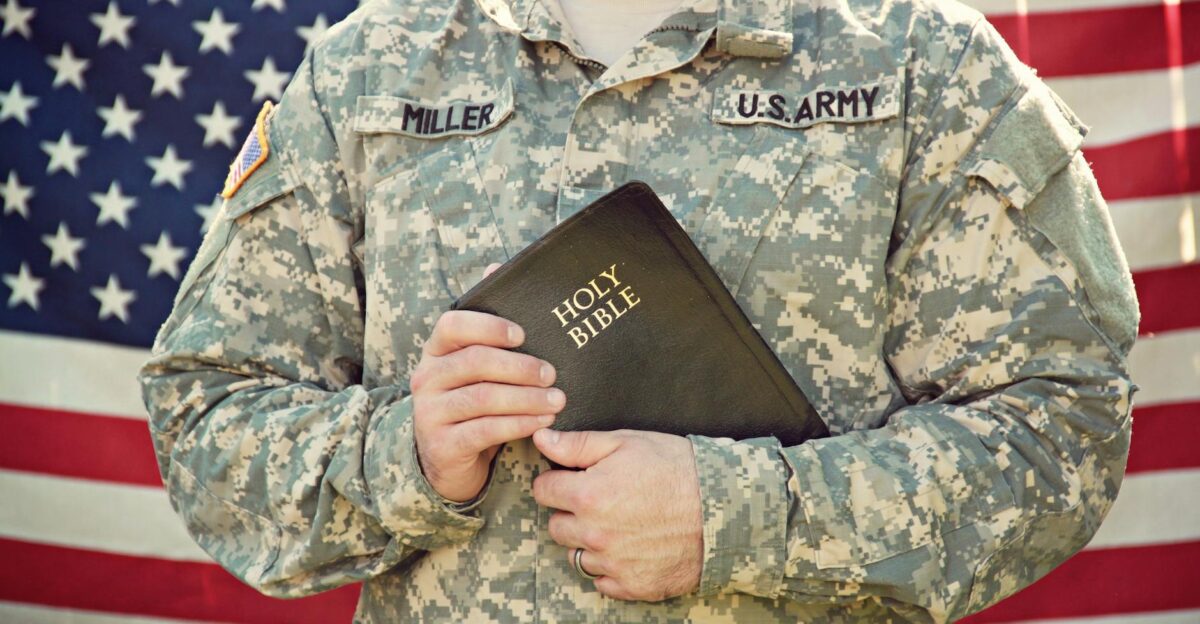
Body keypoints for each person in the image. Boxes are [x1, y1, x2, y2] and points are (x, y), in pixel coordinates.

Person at [138, 0, 1140, 620]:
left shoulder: (925, 60)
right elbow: (207, 415)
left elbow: (1060, 428)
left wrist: (736, 517)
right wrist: (407, 455)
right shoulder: (372, 67)